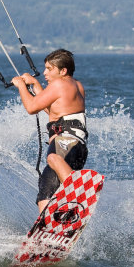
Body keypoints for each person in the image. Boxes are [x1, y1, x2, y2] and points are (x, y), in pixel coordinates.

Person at [12, 49, 88, 213]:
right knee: (45, 193)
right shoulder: (75, 85)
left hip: (66, 142)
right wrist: (35, 85)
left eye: (49, 69)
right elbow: (53, 111)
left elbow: (32, 107)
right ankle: (48, 227)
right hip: (76, 147)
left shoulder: (59, 84)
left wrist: (20, 86)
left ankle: (78, 193)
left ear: (63, 71)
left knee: (52, 157)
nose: (45, 73)